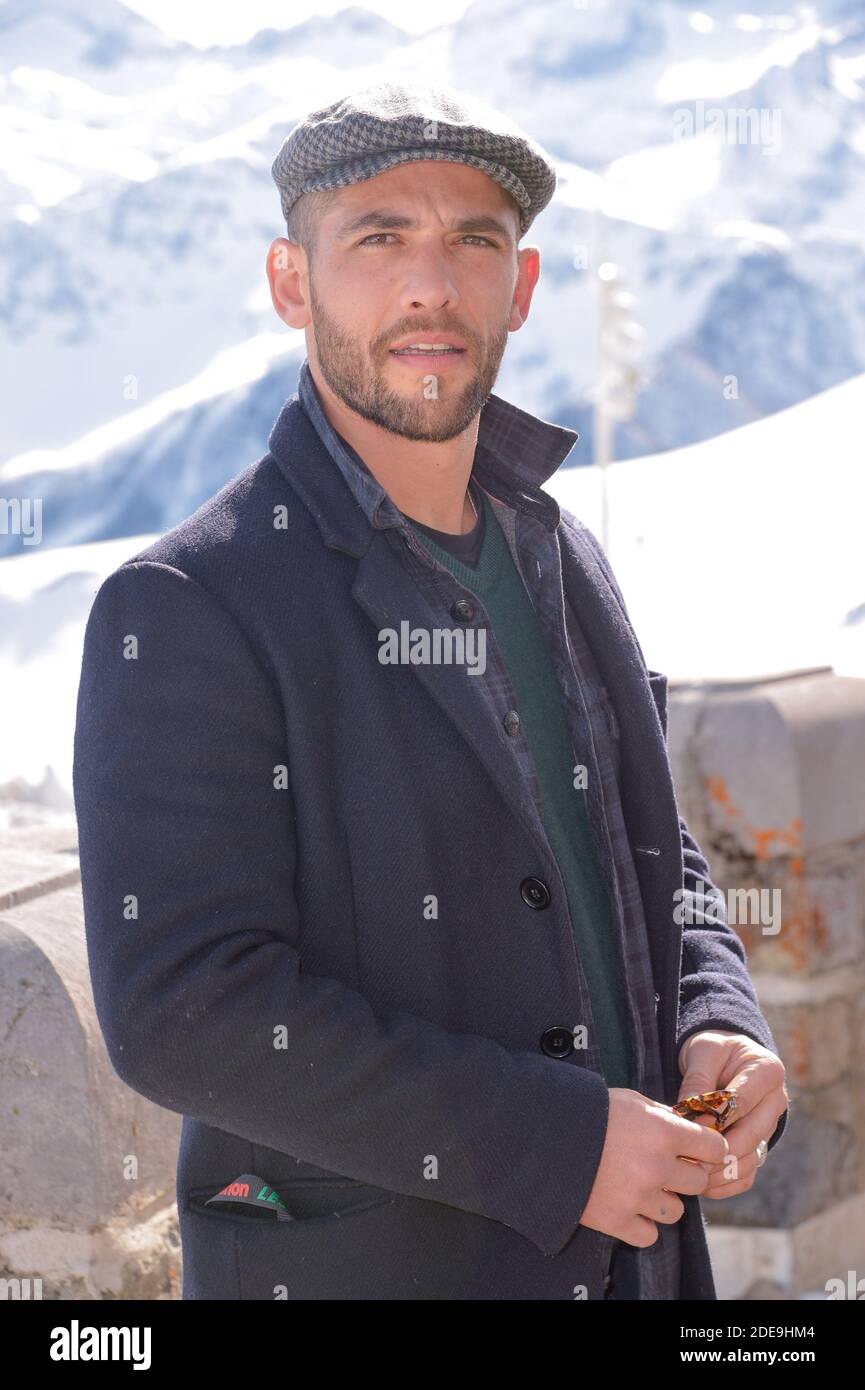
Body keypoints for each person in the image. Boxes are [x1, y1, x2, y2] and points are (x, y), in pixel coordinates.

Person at [73, 80, 789, 1301]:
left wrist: (717, 1009)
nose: (430, 285)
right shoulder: (188, 604)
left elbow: (642, 842)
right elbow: (184, 1006)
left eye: (473, 240)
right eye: (378, 237)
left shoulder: (559, 554)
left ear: (523, 284)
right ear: (291, 283)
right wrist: (555, 1145)